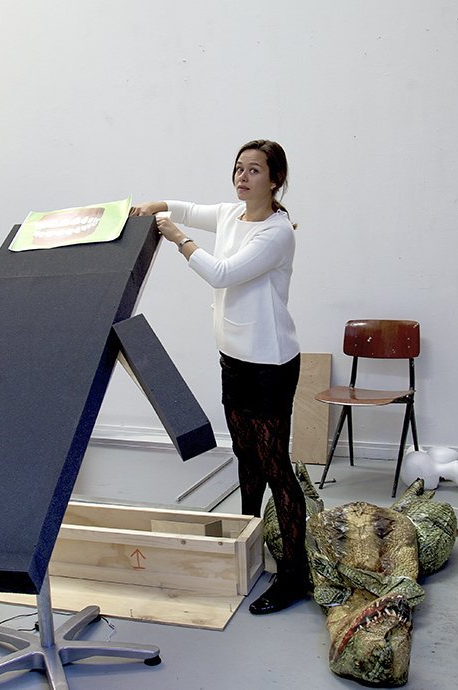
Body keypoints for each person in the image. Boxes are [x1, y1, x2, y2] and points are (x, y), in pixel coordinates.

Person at [131, 139, 309, 615]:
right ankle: (247, 547)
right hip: (234, 359)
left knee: (275, 467)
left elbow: (223, 273)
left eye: (254, 170)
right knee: (246, 458)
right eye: (238, 169)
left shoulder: (276, 233)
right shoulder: (233, 215)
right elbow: (190, 209)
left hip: (270, 365)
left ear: (275, 180)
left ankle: (295, 574)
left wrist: (178, 239)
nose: (243, 177)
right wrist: (156, 205)